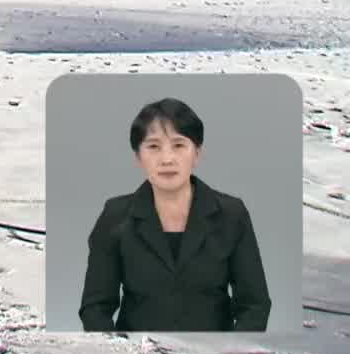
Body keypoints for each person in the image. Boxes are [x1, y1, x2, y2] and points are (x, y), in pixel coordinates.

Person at [78, 98, 272, 332]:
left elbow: (255, 305)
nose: (167, 159)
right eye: (153, 147)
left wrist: (234, 353)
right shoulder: (115, 215)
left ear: (197, 153)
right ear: (138, 157)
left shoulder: (232, 214)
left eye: (179, 145)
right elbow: (95, 308)